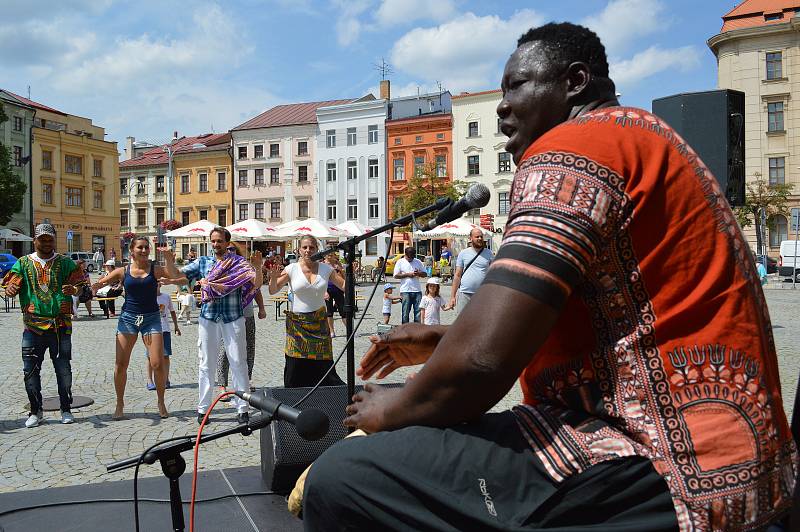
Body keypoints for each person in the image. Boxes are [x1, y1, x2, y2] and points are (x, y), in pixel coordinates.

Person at [302, 23, 797, 530]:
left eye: (516, 86)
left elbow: (481, 365)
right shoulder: (644, 135)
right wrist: (443, 338)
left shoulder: (572, 151)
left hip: (665, 459)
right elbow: (620, 330)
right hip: (747, 462)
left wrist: (394, 408)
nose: (501, 105)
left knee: (344, 477)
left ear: (575, 82)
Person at [3, 223, 84, 427]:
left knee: (63, 369)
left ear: (54, 240)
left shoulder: (66, 263)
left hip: (61, 327)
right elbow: (10, 283)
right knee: (30, 371)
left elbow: (82, 288)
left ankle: (66, 408)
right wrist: (10, 289)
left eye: (50, 239)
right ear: (35, 240)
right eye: (42, 239)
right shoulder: (23, 263)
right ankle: (35, 411)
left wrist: (74, 289)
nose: (47, 243)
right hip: (32, 327)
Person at [179, 227, 262, 424]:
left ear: (227, 243)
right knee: (205, 364)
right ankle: (203, 409)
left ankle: (242, 408)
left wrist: (258, 267)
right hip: (209, 317)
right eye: (213, 241)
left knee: (238, 362)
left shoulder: (239, 263)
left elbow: (256, 284)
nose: (216, 244)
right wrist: (166, 264)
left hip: (233, 317)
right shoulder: (203, 262)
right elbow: (180, 274)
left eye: (219, 241)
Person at [91, 236, 180, 420]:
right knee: (121, 364)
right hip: (128, 319)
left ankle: (161, 401)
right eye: (140, 247)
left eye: (146, 247)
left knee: (157, 363)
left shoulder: (155, 270)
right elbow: (103, 281)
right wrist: (96, 286)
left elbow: (174, 276)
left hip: (152, 318)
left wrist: (170, 260)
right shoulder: (123, 271)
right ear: (132, 250)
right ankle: (120, 403)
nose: (144, 250)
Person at [267, 235, 345, 387]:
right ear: (299, 250)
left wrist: (343, 270)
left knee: (323, 363)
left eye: (312, 247)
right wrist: (273, 278)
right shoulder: (291, 269)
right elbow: (273, 290)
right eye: (305, 247)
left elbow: (345, 286)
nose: (308, 250)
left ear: (317, 249)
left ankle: (325, 394)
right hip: (298, 325)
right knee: (295, 363)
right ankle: (294, 395)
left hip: (320, 324)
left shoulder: (326, 269)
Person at [216, 243, 267, 397]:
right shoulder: (220, 268)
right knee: (225, 349)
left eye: (233, 249)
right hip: (228, 315)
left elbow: (256, 289)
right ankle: (222, 384)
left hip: (247, 313)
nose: (230, 251)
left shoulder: (245, 268)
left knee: (249, 347)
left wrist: (262, 308)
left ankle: (248, 379)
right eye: (228, 249)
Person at [448, 227, 494, 314]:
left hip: (482, 294)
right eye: (477, 237)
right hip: (465, 294)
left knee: (481, 322)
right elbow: (457, 275)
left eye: (481, 236)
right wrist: (452, 297)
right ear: (470, 238)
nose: (480, 239)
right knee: (462, 322)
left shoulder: (489, 253)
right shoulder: (463, 253)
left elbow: (494, 274)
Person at [145, 287, 181, 391]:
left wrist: (176, 326)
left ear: (160, 284)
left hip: (164, 330)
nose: (155, 285)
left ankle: (165, 379)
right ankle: (149, 380)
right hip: (150, 330)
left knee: (165, 356)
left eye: (157, 283)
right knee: (149, 356)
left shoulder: (166, 297)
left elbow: (172, 311)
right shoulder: (147, 297)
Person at [392, 247, 426, 323]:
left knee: (418, 313)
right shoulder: (400, 262)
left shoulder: (418, 261)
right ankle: (405, 331)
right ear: (405, 255)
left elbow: (425, 274)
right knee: (405, 313)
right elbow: (395, 275)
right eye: (409, 258)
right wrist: (408, 275)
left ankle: (417, 332)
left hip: (417, 290)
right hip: (405, 290)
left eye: (412, 258)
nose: (410, 259)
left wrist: (419, 273)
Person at [324, 254, 346, 338]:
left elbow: (344, 278)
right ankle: (331, 331)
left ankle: (349, 330)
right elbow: (322, 280)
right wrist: (325, 291)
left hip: (338, 290)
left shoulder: (338, 265)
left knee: (343, 311)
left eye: (331, 255)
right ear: (325, 256)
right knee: (329, 312)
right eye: (328, 255)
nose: (329, 257)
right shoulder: (323, 265)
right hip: (328, 290)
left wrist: (341, 270)